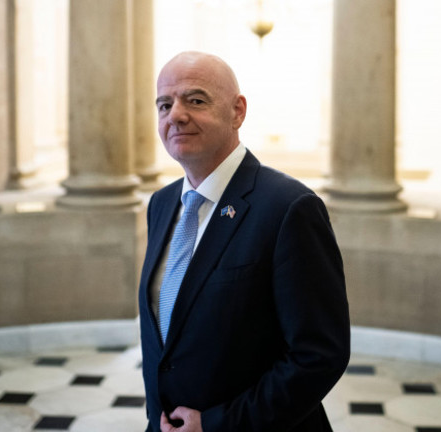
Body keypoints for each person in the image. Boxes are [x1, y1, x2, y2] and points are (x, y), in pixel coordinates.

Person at [138, 51, 350, 432]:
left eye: (196, 100)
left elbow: (318, 355)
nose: (176, 115)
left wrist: (216, 424)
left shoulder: (289, 208)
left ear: (237, 112)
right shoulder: (162, 204)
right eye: (164, 105)